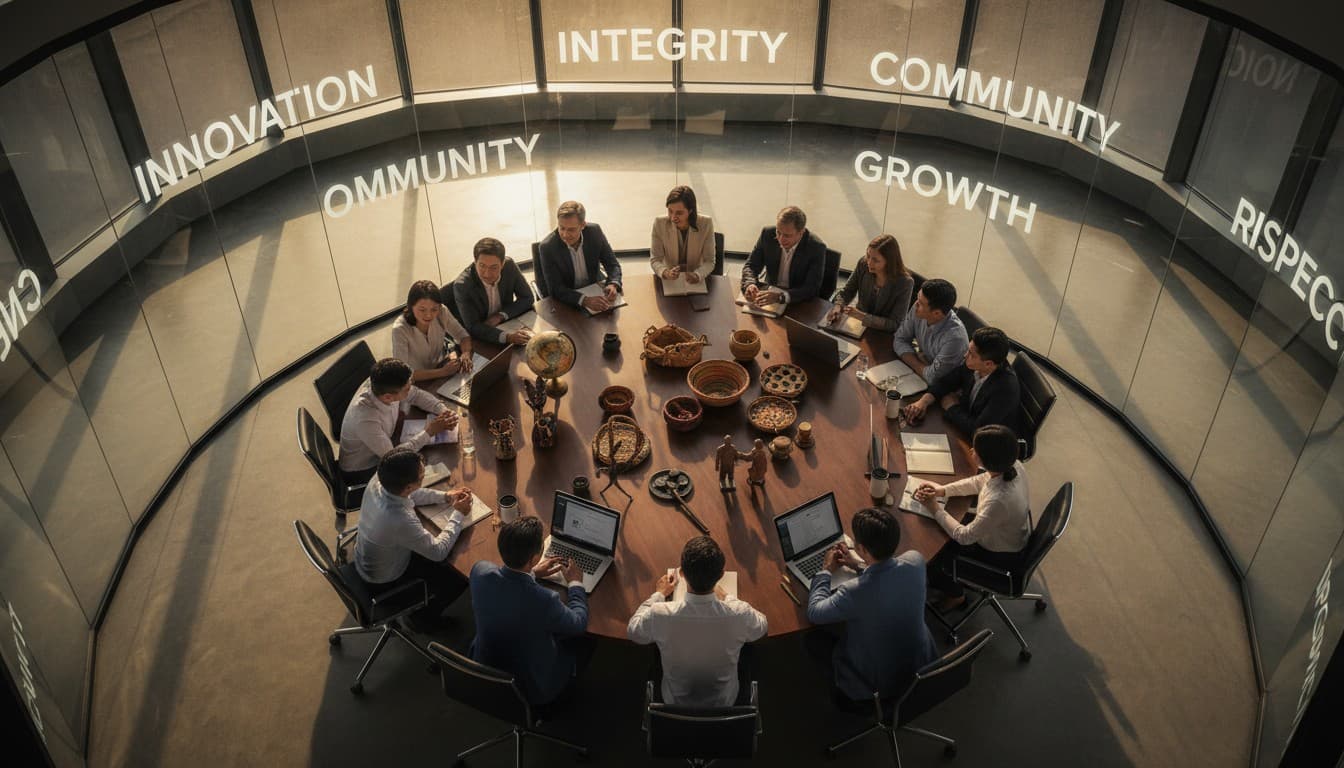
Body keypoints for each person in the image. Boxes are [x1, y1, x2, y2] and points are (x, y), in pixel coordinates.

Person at [806, 507, 936, 702]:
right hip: (923, 667)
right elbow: (886, 580)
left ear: (862, 549)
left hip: (878, 686)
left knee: (813, 639)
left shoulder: (854, 592)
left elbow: (815, 612)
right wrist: (859, 565)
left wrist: (826, 571)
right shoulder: (915, 561)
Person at [627, 536, 768, 707]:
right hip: (725, 703)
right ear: (721, 575)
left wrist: (659, 594)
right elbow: (762, 626)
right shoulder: (739, 614)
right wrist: (727, 597)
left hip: (673, 704)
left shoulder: (660, 614)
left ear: (682, 574)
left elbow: (634, 631)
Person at [469, 516, 590, 705]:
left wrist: (532, 573)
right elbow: (578, 623)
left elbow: (508, 589)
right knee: (585, 642)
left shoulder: (479, 572)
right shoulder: (544, 600)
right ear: (534, 558)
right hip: (529, 688)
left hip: (484, 667)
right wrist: (575, 582)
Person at [354, 448, 474, 631]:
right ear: (409, 485)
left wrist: (446, 496)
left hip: (368, 560)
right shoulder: (398, 518)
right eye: (422, 477)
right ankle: (421, 620)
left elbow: (409, 494)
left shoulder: (380, 479)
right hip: (385, 580)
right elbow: (438, 552)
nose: (423, 477)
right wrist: (458, 514)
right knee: (458, 576)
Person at [914, 425, 1032, 612]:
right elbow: (979, 481)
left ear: (987, 460)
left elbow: (964, 537)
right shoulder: (1013, 464)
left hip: (998, 553)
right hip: (1006, 531)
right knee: (943, 525)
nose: (971, 451)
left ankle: (956, 596)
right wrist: (942, 491)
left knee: (933, 557)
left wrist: (934, 507)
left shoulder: (999, 500)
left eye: (976, 450)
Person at [337, 358, 457, 484]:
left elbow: (416, 395)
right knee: (434, 469)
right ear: (388, 397)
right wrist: (429, 432)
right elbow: (393, 457)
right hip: (364, 470)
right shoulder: (365, 419)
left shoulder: (384, 385)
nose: (410, 390)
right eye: (407, 389)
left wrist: (442, 410)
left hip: (385, 444)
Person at [904, 326, 1019, 437]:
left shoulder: (1005, 389)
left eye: (971, 354)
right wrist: (924, 402)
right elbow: (947, 382)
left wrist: (951, 408)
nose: (965, 355)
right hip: (964, 419)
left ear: (988, 364)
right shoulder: (975, 363)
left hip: (986, 442)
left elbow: (979, 431)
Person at [537, 200, 623, 312]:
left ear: (583, 225)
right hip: (568, 300)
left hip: (595, 290)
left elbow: (612, 264)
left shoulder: (594, 232)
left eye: (571, 229)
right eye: (562, 228)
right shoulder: (548, 247)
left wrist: (613, 284)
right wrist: (585, 300)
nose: (565, 235)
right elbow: (556, 289)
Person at [452, 237, 535, 346]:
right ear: (475, 262)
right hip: (481, 336)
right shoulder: (462, 286)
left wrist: (500, 316)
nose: (487, 274)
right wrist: (507, 337)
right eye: (482, 266)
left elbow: (527, 297)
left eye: (494, 267)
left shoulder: (509, 266)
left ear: (503, 263)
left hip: (507, 323)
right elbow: (473, 327)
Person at [824, 234, 914, 332]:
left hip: (882, 333)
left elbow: (895, 324)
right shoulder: (863, 264)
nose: (869, 262)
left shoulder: (905, 283)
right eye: (868, 255)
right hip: (857, 325)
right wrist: (838, 305)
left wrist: (862, 316)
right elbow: (847, 291)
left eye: (875, 260)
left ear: (889, 261)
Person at [741, 205, 827, 305]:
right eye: (778, 232)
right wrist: (750, 284)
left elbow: (811, 288)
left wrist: (781, 297)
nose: (780, 239)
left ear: (801, 232)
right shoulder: (767, 234)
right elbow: (751, 265)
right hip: (769, 295)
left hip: (797, 301)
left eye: (787, 235)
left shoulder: (816, 247)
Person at [391, 279, 473, 383]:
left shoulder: (442, 311)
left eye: (434, 309)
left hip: (441, 368)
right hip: (416, 382)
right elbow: (403, 374)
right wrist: (442, 372)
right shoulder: (400, 329)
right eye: (422, 310)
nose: (429, 315)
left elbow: (463, 336)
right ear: (411, 306)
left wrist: (466, 354)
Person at [891, 277, 968, 386]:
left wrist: (913, 359)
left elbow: (933, 378)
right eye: (917, 298)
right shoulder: (918, 309)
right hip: (919, 374)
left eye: (921, 303)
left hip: (945, 387)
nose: (916, 304)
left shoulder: (955, 339)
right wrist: (920, 364)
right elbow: (900, 339)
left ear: (936, 313)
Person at [650, 185, 716, 284]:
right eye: (670, 211)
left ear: (690, 211)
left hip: (695, 279)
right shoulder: (659, 223)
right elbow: (655, 259)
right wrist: (666, 272)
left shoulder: (706, 223)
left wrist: (697, 275)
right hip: (670, 282)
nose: (673, 218)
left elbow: (710, 261)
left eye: (679, 213)